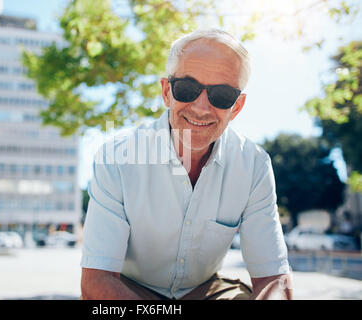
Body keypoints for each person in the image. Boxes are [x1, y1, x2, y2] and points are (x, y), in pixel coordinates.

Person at [80, 28, 293, 300]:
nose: (201, 107)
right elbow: (97, 281)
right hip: (127, 289)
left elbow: (273, 277)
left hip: (208, 290)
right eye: (187, 89)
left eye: (222, 95)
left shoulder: (254, 165)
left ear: (236, 107)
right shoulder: (116, 157)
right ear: (167, 92)